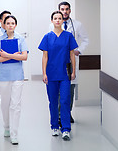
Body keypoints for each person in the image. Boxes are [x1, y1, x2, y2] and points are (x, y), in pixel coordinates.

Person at [39, 11, 78, 141]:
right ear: (52, 21)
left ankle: (66, 129)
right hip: (51, 73)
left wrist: (73, 72)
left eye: (59, 18)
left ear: (62, 21)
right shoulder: (47, 37)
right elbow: (45, 56)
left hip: (65, 73)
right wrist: (44, 73)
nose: (57, 20)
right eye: (55, 18)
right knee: (53, 101)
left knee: (65, 100)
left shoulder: (68, 36)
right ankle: (54, 126)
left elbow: (72, 54)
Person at [49, 1, 89, 123]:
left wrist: (79, 51)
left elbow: (86, 40)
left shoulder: (77, 25)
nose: (65, 11)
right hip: (57, 62)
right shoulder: (52, 26)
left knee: (70, 90)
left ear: (70, 10)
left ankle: (66, 113)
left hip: (71, 61)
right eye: (62, 9)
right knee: (59, 89)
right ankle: (60, 115)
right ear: (59, 10)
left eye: (67, 9)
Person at [0, 15, 28, 145]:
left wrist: (6, 55)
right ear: (4, 25)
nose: (11, 25)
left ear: (16, 25)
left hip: (17, 76)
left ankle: (14, 133)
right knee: (5, 103)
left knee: (16, 105)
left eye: (13, 23)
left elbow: (24, 57)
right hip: (3, 77)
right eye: (8, 23)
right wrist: (11, 56)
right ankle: (6, 127)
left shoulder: (20, 39)